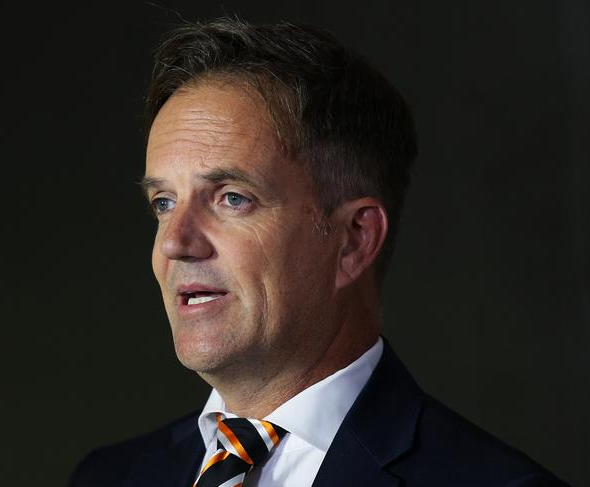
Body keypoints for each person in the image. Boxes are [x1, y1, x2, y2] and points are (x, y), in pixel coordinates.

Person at [70, 18, 567, 487]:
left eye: (232, 198)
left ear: (353, 239)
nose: (175, 243)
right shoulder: (110, 475)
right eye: (163, 202)